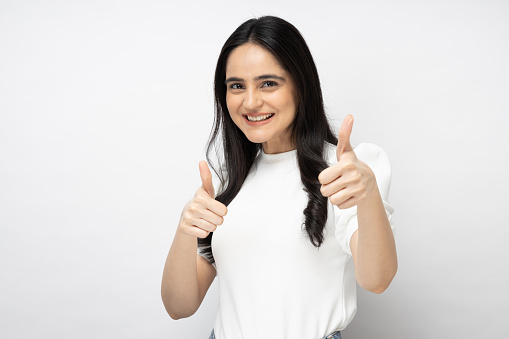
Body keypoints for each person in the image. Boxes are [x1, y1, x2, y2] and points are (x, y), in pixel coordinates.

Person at [161, 15, 397, 339]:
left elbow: (377, 279)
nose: (251, 101)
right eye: (236, 86)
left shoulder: (344, 172)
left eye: (268, 83)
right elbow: (179, 306)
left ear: (301, 84)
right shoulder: (226, 183)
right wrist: (184, 228)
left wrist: (368, 196)